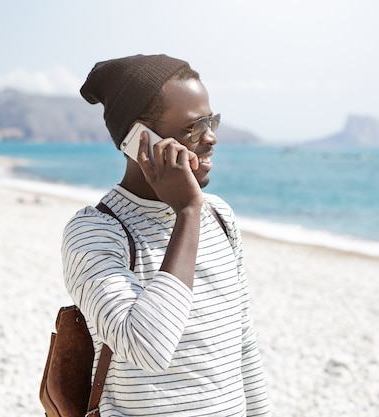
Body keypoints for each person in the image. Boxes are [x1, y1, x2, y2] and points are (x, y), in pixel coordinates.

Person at [62, 54, 271, 416]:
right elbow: (147, 347)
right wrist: (187, 212)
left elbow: (242, 341)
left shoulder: (219, 215)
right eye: (194, 127)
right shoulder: (94, 232)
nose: (212, 138)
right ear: (140, 140)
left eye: (212, 121)